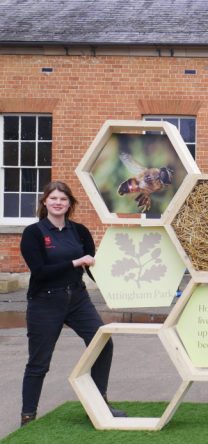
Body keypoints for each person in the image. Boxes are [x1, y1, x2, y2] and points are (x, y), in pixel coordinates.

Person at [19, 181, 126, 426]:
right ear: (45, 202)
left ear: (70, 204)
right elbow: (39, 272)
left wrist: (123, 286)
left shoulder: (79, 231)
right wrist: (75, 263)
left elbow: (94, 267)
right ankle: (28, 416)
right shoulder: (34, 233)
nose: (58, 203)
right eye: (53, 198)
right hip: (45, 301)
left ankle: (99, 406)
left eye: (63, 199)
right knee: (39, 362)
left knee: (102, 343)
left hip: (78, 299)